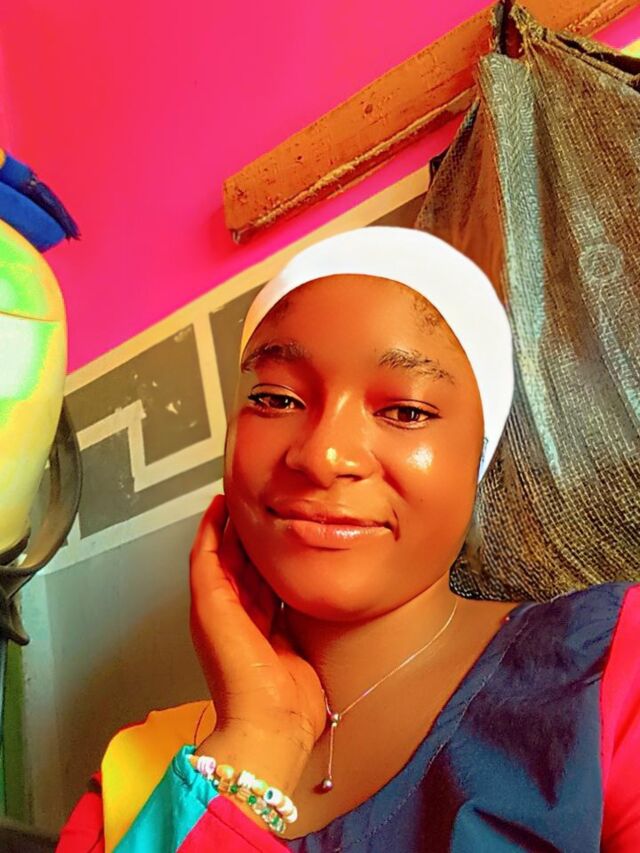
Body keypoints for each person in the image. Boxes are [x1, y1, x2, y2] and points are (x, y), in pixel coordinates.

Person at [57, 227, 640, 852]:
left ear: (480, 455)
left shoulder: (608, 670)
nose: (322, 455)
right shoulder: (131, 773)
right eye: (276, 399)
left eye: (406, 411)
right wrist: (255, 740)